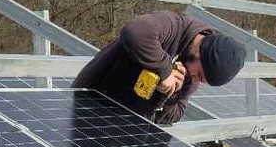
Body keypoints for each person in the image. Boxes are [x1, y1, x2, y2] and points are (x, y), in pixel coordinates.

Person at [73, 10, 246, 124]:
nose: (195, 80)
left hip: (124, 123)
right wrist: (164, 70)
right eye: (200, 76)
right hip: (92, 101)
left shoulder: (190, 74)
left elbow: (177, 112)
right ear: (202, 55)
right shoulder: (174, 25)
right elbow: (135, 30)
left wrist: (170, 95)